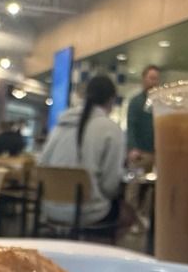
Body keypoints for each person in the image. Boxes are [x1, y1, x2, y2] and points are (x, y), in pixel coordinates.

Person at [36, 73, 125, 227]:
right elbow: (110, 187)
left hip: (49, 209)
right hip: (88, 213)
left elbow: (42, 164)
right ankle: (94, 242)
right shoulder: (111, 129)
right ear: (111, 99)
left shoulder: (60, 125)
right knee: (128, 214)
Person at [126, 64, 160, 166]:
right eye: (151, 78)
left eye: (156, 79)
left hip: (158, 154)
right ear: (144, 79)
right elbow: (131, 126)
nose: (154, 82)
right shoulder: (136, 102)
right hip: (141, 154)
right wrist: (132, 148)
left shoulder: (161, 102)